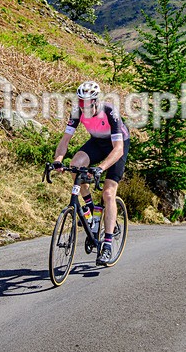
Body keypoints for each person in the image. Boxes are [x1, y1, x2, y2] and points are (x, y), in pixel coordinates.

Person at [53, 81, 130, 266]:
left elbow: (118, 149)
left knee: (108, 193)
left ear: (96, 101)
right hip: (97, 142)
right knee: (75, 165)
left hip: (117, 145)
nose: (84, 109)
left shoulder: (110, 111)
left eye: (87, 105)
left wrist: (101, 168)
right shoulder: (77, 112)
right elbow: (65, 140)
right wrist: (58, 160)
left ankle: (108, 245)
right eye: (81, 104)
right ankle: (90, 210)